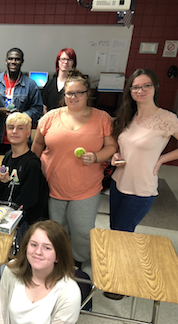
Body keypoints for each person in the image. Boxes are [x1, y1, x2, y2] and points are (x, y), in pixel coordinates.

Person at [32, 69, 117, 269]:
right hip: (53, 185)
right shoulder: (50, 117)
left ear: (88, 94)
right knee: (57, 228)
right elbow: (37, 146)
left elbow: (112, 147)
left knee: (82, 229)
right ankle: (58, 259)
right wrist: (34, 170)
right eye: (70, 93)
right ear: (64, 95)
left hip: (85, 186)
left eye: (79, 92)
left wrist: (96, 157)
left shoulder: (102, 118)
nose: (74, 97)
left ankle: (78, 260)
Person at [106, 68, 178, 299]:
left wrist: (162, 159)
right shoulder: (128, 115)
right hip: (119, 183)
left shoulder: (167, 119)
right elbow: (121, 147)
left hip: (143, 189)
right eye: (136, 87)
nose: (141, 90)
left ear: (155, 87)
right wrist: (115, 156)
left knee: (124, 234)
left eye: (146, 85)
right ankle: (116, 273)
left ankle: (123, 282)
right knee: (116, 232)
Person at [0, 220, 81, 324]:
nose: (38, 252)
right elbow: (1, 315)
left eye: (47, 247)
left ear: (58, 256)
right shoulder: (12, 269)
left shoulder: (70, 293)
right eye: (34, 245)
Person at [0, 112, 48, 226]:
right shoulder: (8, 156)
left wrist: (6, 216)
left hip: (20, 220)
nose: (14, 131)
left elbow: (28, 200)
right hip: (3, 212)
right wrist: (1, 181)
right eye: (11, 127)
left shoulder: (32, 164)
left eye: (20, 128)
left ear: (28, 133)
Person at [0, 48, 44, 154]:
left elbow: (38, 109)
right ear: (6, 61)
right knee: (0, 166)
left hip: (21, 137)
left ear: (22, 61)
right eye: (10, 59)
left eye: (17, 59)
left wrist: (22, 116)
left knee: (19, 168)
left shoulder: (30, 84)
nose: (13, 62)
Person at [42, 48, 77, 113]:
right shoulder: (50, 83)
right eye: (63, 59)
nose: (66, 62)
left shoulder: (75, 85)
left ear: (73, 63)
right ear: (58, 61)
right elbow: (44, 106)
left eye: (69, 59)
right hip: (50, 120)